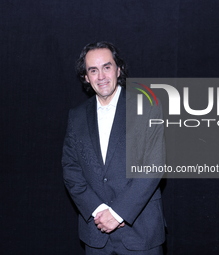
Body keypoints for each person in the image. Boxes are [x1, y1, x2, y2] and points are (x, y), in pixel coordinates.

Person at [62, 41, 166, 254]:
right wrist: (99, 211)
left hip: (141, 232)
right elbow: (71, 170)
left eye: (107, 67)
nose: (101, 76)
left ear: (118, 70)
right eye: (93, 70)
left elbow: (154, 166)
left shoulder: (147, 106)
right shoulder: (77, 116)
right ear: (85, 77)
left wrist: (119, 213)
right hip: (95, 233)